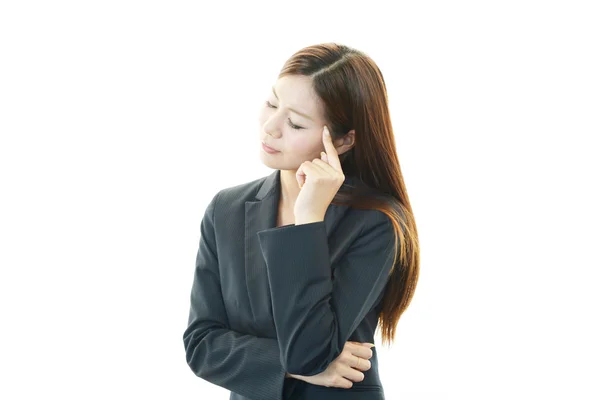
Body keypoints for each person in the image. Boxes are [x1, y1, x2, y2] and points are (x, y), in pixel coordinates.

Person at [183, 42, 420, 400]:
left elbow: (309, 352)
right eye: (272, 103)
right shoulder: (227, 208)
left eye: (295, 123)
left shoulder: (375, 222)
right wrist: (290, 365)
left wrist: (307, 219)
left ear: (341, 141)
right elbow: (201, 344)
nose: (270, 128)